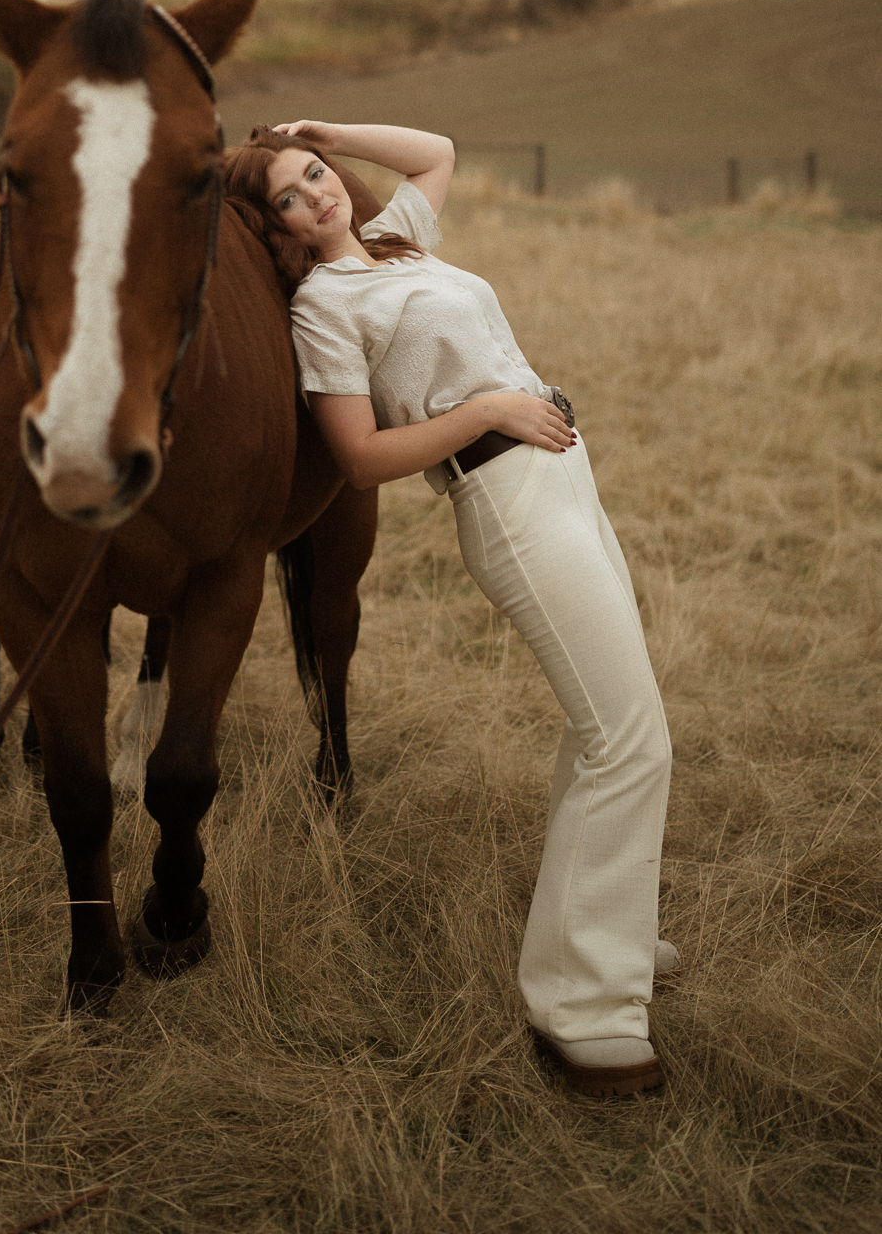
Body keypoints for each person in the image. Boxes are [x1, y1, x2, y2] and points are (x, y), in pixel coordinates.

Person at [223, 120, 675, 1099]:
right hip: (502, 493)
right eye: (292, 194)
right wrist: (482, 412)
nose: (319, 191)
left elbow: (437, 150)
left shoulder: (395, 239)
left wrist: (323, 128)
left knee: (602, 723)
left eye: (316, 173)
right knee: (630, 738)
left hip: (561, 473)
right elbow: (357, 460)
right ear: (275, 226)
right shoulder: (321, 308)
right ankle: (584, 1007)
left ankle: (614, 931)